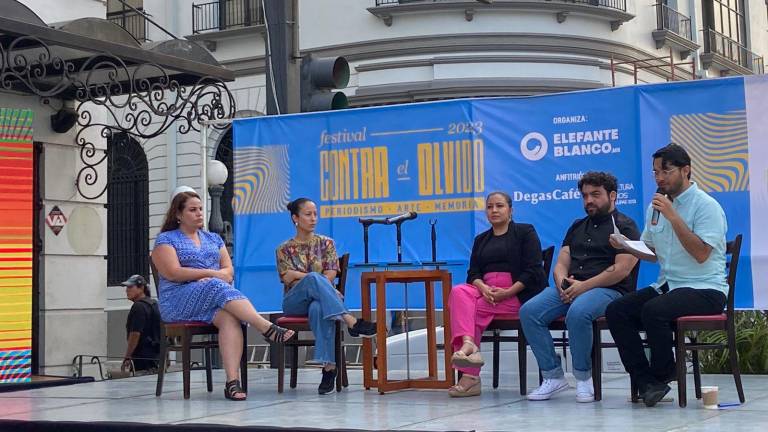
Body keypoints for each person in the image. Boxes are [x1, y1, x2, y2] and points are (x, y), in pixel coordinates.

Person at [606, 143, 729, 407]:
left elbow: (701, 254)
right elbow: (654, 253)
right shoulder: (656, 208)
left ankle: (664, 372)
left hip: (705, 289)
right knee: (617, 310)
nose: (659, 178)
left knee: (654, 310)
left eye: (666, 171)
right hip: (669, 284)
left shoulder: (706, 206)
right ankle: (648, 382)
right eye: (655, 173)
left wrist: (673, 217)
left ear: (686, 170)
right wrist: (627, 246)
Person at [152, 189, 296, 401]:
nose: (199, 213)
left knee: (230, 317)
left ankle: (232, 382)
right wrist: (210, 274)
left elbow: (229, 271)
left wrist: (214, 278)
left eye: (201, 209)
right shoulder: (166, 239)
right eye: (193, 210)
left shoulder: (213, 238)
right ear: (178, 215)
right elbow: (173, 273)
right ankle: (265, 327)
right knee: (214, 285)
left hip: (212, 296)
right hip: (178, 299)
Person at [520, 172, 640, 402]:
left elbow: (622, 270)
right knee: (529, 312)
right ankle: (553, 376)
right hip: (573, 287)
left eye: (595, 195)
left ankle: (584, 379)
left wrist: (583, 287)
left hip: (610, 290)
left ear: (612, 195)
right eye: (585, 196)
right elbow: (562, 261)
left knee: (578, 312)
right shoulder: (577, 225)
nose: (589, 201)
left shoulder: (626, 225)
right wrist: (563, 283)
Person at [447, 191, 546, 397]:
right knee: (458, 292)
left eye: (499, 206)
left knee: (467, 311)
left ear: (511, 210)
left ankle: (470, 377)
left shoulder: (525, 232)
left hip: (517, 294)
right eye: (490, 206)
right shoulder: (481, 239)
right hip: (486, 292)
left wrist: (508, 291)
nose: (494, 210)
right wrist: (482, 287)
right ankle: (468, 343)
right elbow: (473, 273)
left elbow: (534, 270)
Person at [276, 198, 377, 395]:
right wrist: (316, 282)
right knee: (315, 279)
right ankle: (350, 320)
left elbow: (330, 274)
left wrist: (312, 282)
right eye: (308, 214)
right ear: (295, 218)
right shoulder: (284, 249)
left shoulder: (326, 243)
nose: (313, 218)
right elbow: (288, 278)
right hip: (294, 302)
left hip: (319, 302)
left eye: (315, 214)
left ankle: (329, 368)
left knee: (318, 307)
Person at [121, 274, 161, 374]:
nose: (127, 290)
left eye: (130, 287)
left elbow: (135, 334)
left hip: (142, 359)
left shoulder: (138, 307)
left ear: (141, 288)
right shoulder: (155, 304)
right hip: (157, 357)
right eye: (126, 287)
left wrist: (127, 356)